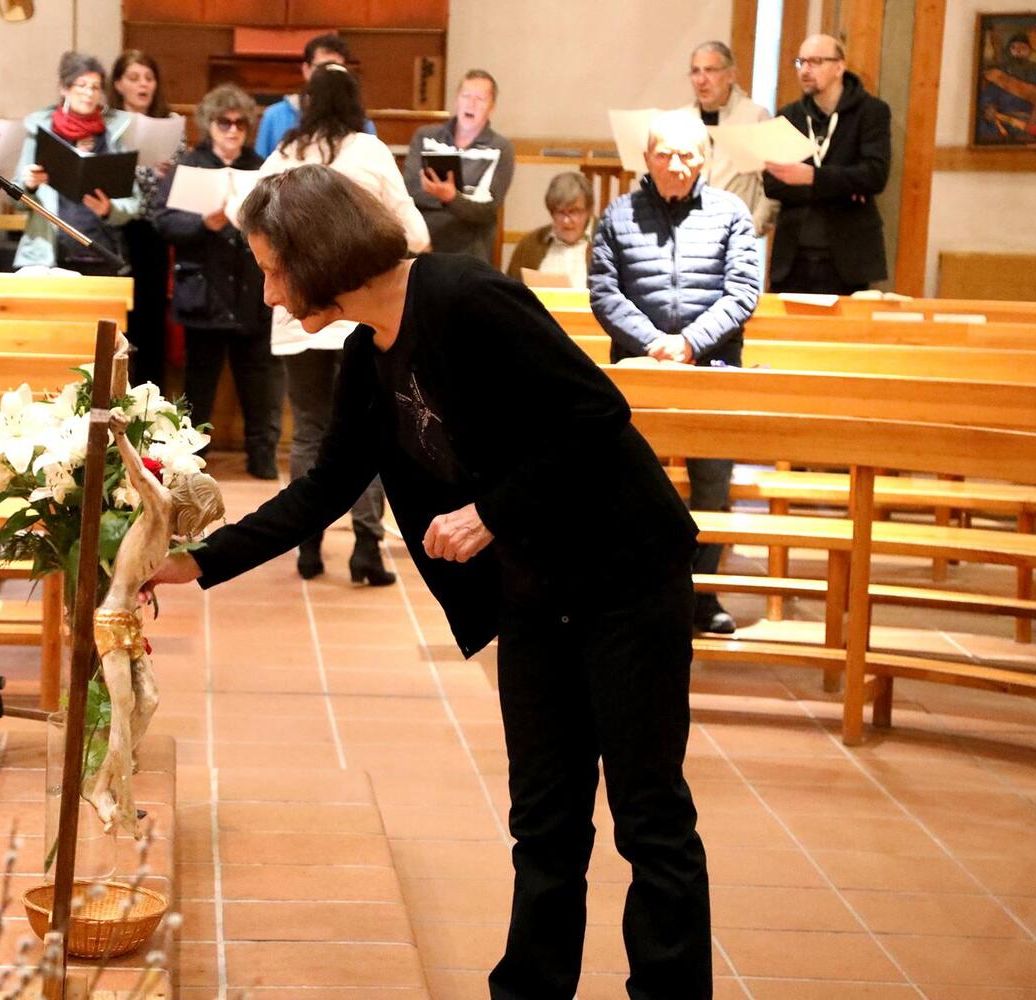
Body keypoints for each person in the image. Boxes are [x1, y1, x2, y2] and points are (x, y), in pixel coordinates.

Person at [149, 163, 712, 1000]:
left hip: (624, 575)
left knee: (648, 815)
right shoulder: (365, 355)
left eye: (273, 271)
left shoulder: (466, 297)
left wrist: (491, 512)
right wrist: (195, 563)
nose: (269, 294)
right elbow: (324, 488)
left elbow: (596, 415)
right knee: (545, 819)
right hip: (535, 591)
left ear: (319, 255)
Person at [246, 64, 429, 585]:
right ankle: (367, 547)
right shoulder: (368, 150)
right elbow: (415, 232)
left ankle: (308, 546)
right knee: (371, 433)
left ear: (307, 103)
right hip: (359, 313)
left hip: (299, 313)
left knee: (309, 428)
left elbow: (244, 210)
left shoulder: (285, 153)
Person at [589, 111, 760, 636]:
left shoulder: (731, 214)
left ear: (704, 159)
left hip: (712, 368)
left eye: (687, 154)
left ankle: (701, 596)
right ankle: (638, 594)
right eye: (664, 154)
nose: (676, 165)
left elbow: (743, 292)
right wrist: (653, 343)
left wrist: (689, 343)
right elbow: (604, 292)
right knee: (633, 483)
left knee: (712, 488)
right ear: (646, 158)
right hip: (639, 370)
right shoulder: (618, 215)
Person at [152, 84, 282, 480]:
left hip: (251, 291)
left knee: (258, 385)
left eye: (240, 123)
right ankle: (189, 462)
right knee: (199, 385)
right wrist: (202, 224)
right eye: (224, 122)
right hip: (203, 292)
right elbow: (163, 221)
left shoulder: (261, 167)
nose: (232, 130)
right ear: (209, 124)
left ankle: (262, 459)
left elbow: (281, 220)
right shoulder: (189, 165)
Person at [764, 34, 891, 294]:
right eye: (801, 62)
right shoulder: (789, 116)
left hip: (847, 259)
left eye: (815, 62)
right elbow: (773, 184)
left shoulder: (871, 112)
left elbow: (874, 176)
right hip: (792, 259)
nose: (805, 70)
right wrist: (844, 187)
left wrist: (811, 178)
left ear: (839, 67)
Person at [13, 52, 142, 277]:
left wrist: (109, 209)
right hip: (49, 256)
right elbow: (15, 198)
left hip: (102, 252)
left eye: (95, 87)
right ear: (65, 88)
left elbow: (134, 203)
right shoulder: (41, 130)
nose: (89, 93)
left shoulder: (114, 133)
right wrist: (30, 185)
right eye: (81, 85)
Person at [108, 49, 180, 389]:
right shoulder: (107, 127)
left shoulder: (170, 123)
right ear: (118, 84)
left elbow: (184, 181)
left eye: (149, 78)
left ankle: (149, 397)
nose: (143, 85)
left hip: (154, 232)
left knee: (151, 320)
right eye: (134, 78)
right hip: (114, 230)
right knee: (118, 319)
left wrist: (170, 173)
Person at [402, 69, 515, 263]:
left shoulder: (500, 148)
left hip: (468, 248)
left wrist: (452, 198)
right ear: (457, 100)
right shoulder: (426, 137)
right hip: (422, 242)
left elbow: (486, 210)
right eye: (466, 96)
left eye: (480, 99)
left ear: (492, 107)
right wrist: (458, 198)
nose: (471, 103)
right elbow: (410, 190)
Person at [688, 40, 777, 235]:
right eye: (695, 71)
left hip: (734, 234)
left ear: (730, 75)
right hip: (688, 234)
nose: (701, 80)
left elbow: (773, 185)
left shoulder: (755, 117)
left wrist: (752, 227)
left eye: (710, 70)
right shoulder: (682, 119)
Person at [254, 33, 376, 158]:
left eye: (336, 69)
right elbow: (260, 164)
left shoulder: (361, 123)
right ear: (306, 70)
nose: (329, 77)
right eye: (322, 68)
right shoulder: (274, 115)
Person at [504, 172, 594, 287]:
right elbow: (510, 291)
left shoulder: (606, 243)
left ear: (588, 211)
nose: (566, 220)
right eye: (560, 212)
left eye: (574, 211)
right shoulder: (530, 244)